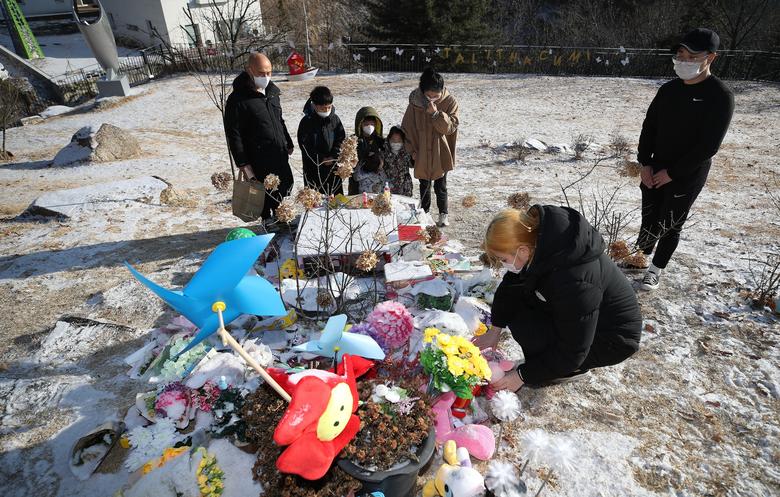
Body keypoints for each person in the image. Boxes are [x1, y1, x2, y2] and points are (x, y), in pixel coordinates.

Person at [476, 206, 643, 390]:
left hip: (611, 339)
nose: (503, 265)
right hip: (584, 317)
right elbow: (512, 286)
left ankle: (570, 370)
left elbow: (573, 350)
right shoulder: (543, 246)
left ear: (522, 250)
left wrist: (523, 375)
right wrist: (495, 330)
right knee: (518, 308)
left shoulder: (575, 279)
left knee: (528, 327)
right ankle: (550, 364)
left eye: (504, 259)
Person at [636, 28, 734, 290]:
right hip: (655, 165)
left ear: (710, 58)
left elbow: (708, 146)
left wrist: (673, 173)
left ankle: (655, 269)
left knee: (670, 222)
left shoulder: (720, 96)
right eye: (681, 54)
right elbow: (649, 127)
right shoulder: (668, 90)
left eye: (692, 56)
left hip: (687, 173)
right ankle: (641, 255)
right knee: (650, 214)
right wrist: (645, 162)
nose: (684, 61)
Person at [224, 52, 295, 220]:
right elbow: (234, 135)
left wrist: (288, 142)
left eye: (269, 72)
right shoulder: (238, 100)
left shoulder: (272, 93)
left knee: (282, 189)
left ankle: (281, 221)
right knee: (263, 197)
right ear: (249, 70)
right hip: (258, 159)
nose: (266, 77)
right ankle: (267, 223)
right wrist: (243, 164)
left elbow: (279, 120)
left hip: (278, 153)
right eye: (261, 73)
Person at [402, 67, 459, 227]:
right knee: (424, 184)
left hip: (441, 150)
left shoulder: (450, 102)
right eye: (429, 96)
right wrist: (411, 150)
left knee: (441, 184)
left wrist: (435, 114)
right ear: (422, 91)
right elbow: (408, 127)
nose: (432, 99)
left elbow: (450, 127)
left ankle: (443, 213)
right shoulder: (415, 103)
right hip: (421, 150)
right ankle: (425, 213)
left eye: (436, 96)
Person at [297, 86, 346, 195]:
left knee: (335, 201)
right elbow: (305, 146)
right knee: (316, 202)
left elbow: (341, 140)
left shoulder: (335, 120)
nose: (326, 111)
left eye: (329, 107)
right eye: (323, 108)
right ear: (314, 105)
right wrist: (321, 159)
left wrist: (333, 156)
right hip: (313, 169)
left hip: (333, 169)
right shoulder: (306, 122)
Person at [351, 107, 386, 195]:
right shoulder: (353, 141)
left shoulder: (380, 141)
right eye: (366, 124)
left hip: (377, 181)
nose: (369, 126)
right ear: (360, 125)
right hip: (358, 182)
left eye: (372, 124)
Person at [381, 126, 414, 197]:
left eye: (399, 140)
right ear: (389, 139)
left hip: (405, 187)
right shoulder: (383, 152)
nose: (396, 143)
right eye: (393, 140)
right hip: (388, 187)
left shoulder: (407, 152)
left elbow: (412, 165)